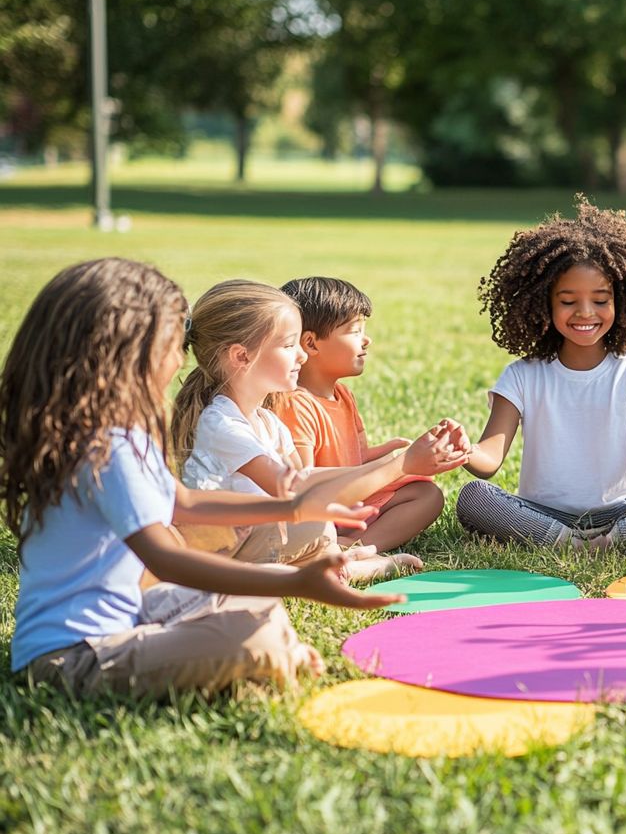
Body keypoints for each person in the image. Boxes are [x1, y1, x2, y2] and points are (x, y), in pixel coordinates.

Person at [2, 258, 404, 698]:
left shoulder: (120, 435)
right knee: (247, 632)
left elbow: (185, 505)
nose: (179, 360)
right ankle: (262, 652)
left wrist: (291, 507)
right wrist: (293, 581)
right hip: (73, 656)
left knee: (255, 608)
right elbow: (165, 560)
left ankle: (264, 650)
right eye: (171, 346)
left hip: (133, 615)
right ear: (124, 355)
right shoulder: (102, 449)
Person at [456, 197, 626, 550]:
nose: (585, 313)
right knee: (474, 497)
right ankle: (571, 542)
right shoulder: (522, 376)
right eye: (568, 302)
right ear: (542, 303)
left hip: (624, 512)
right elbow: (488, 461)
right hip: (543, 514)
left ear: (621, 301)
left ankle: (606, 542)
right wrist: (464, 450)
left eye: (600, 300)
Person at [170, 279, 468, 581]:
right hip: (225, 548)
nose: (300, 355)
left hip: (259, 536)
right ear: (241, 356)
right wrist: (399, 465)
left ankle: (339, 563)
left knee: (317, 519)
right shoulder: (222, 424)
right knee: (314, 520)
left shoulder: (268, 422)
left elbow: (308, 478)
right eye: (289, 346)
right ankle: (341, 565)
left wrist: (401, 465)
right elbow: (296, 491)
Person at [272, 275, 444, 553]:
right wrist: (396, 464)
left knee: (426, 494)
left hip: (351, 502)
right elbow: (302, 485)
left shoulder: (343, 395)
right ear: (311, 344)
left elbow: (357, 457)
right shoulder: (295, 404)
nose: (367, 340)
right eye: (354, 331)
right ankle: (355, 547)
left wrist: (403, 455)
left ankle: (354, 545)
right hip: (317, 513)